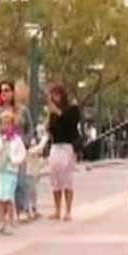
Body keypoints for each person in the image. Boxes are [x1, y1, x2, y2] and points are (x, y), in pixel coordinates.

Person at [46, 84, 82, 221]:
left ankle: (68, 211)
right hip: (55, 146)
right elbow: (52, 130)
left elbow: (70, 124)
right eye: (52, 95)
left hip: (67, 146)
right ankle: (57, 210)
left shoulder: (72, 109)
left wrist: (57, 111)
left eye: (57, 94)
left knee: (67, 179)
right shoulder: (53, 114)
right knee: (55, 179)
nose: (55, 98)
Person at [0, 111, 27, 234]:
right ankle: (1, 221)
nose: (5, 126)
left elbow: (22, 154)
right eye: (3, 124)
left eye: (8, 124)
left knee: (8, 197)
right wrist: (0, 144)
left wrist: (15, 160)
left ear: (12, 125)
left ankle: (10, 221)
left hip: (10, 171)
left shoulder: (17, 139)